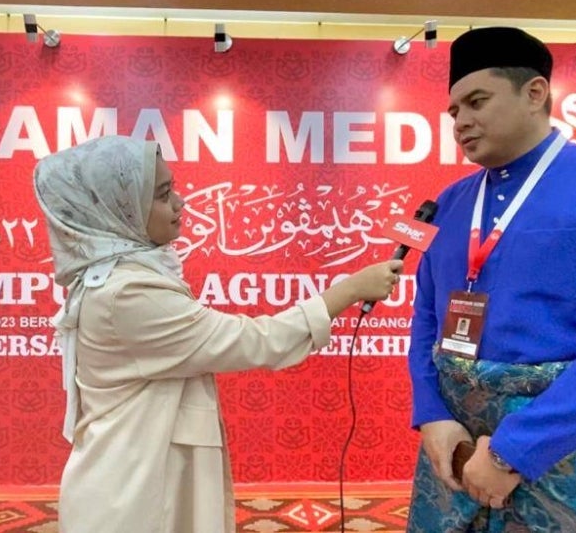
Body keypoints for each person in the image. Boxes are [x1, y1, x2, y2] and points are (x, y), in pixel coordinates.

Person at [33, 135, 403, 533]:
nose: (180, 203)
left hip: (133, 476)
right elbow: (253, 340)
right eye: (162, 194)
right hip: (134, 494)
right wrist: (348, 290)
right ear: (115, 210)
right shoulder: (127, 293)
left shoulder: (120, 277)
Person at [406, 27, 576, 532]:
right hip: (456, 446)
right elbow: (425, 321)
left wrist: (512, 452)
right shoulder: (448, 204)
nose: (461, 121)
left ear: (534, 93)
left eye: (476, 101)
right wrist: (432, 417)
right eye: (453, 112)